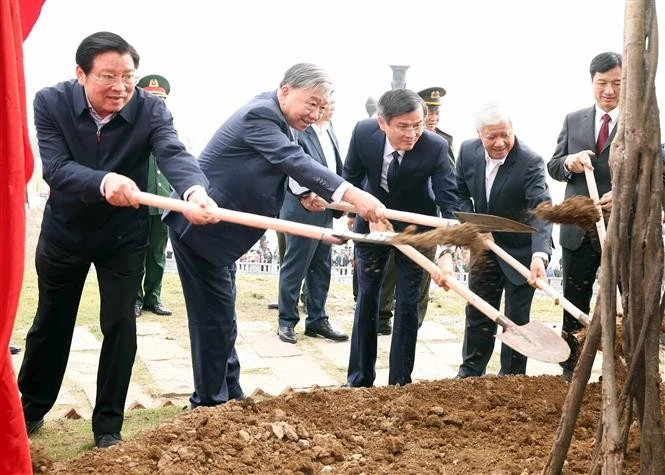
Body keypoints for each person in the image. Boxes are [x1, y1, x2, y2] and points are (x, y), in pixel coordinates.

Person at [17, 31, 215, 449]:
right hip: (65, 232)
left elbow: (173, 152)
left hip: (123, 235)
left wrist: (194, 190)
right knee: (51, 323)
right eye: (108, 76)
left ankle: (108, 424)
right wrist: (103, 180)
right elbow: (54, 167)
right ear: (80, 74)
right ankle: (30, 408)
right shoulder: (50, 101)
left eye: (128, 75)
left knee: (120, 325)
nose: (121, 86)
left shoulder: (151, 109)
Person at [163, 63, 385, 408]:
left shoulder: (281, 119)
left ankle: (228, 393)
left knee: (222, 315)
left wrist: (305, 199)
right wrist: (355, 196)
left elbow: (279, 172)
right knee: (213, 318)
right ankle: (208, 403)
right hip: (202, 228)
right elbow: (292, 160)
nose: (315, 113)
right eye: (311, 103)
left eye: (321, 107)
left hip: (224, 235)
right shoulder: (260, 115)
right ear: (285, 90)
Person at [343, 88, 459, 387]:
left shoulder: (435, 146)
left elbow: (449, 200)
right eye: (403, 127)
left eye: (418, 125)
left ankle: (399, 383)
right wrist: (354, 214)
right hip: (372, 222)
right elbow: (350, 178)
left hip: (415, 229)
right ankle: (359, 380)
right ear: (383, 123)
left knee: (408, 303)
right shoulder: (362, 133)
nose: (412, 134)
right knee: (367, 297)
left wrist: (449, 247)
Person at [454, 101, 552, 378]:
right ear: (478, 133)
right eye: (491, 136)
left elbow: (541, 209)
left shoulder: (529, 161)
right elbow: (459, 192)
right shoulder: (467, 151)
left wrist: (539, 256)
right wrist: (473, 225)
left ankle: (512, 379)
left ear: (512, 130)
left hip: (520, 252)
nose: (499, 142)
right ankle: (470, 373)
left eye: (505, 134)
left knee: (516, 320)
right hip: (483, 247)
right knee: (478, 312)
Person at [547, 52, 621, 382]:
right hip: (578, 230)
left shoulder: (640, 121)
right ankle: (571, 370)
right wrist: (569, 163)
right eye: (602, 83)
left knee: (623, 301)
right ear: (592, 82)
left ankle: (619, 370)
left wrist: (624, 194)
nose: (609, 90)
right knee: (574, 300)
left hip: (621, 229)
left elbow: (654, 171)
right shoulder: (573, 119)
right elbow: (554, 164)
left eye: (617, 83)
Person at [376, 86, 455, 335]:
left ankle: (412, 323)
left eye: (435, 113)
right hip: (388, 217)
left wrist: (449, 240)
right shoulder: (381, 136)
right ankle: (381, 317)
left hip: (424, 216)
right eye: (428, 111)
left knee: (419, 279)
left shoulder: (442, 142)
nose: (432, 117)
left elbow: (448, 188)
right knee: (387, 273)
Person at [276, 99, 348, 344]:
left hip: (326, 207)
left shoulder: (330, 131)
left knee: (321, 266)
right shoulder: (299, 130)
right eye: (328, 101)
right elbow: (292, 166)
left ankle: (317, 319)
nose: (333, 105)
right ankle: (286, 321)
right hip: (302, 207)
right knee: (296, 265)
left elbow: (335, 168)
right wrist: (306, 193)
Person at [134, 74, 174, 318]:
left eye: (161, 99)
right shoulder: (134, 128)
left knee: (157, 256)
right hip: (139, 202)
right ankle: (135, 299)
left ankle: (153, 298)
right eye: (152, 98)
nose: (157, 103)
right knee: (137, 255)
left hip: (163, 203)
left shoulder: (168, 129)